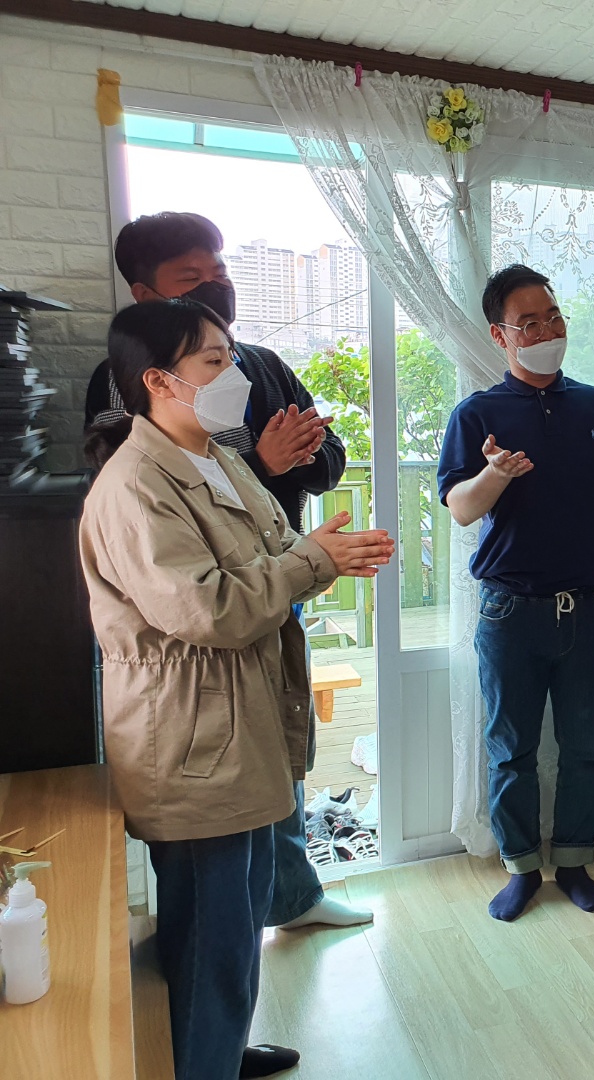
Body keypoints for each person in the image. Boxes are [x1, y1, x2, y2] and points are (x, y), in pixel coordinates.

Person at [78, 300, 394, 1080]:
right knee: (209, 943)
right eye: (214, 361)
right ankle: (201, 1062)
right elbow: (209, 610)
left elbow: (276, 550)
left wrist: (323, 553)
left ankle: (218, 1054)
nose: (236, 375)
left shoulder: (217, 457)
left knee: (237, 925)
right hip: (193, 745)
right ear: (159, 380)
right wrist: (313, 561)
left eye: (233, 356)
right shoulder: (135, 485)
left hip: (238, 731)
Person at [84, 211, 367, 933]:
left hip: (271, 588)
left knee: (270, 769)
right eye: (194, 275)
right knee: (216, 897)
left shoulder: (256, 375)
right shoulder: (130, 430)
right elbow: (190, 590)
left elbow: (326, 461)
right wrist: (267, 466)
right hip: (200, 660)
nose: (217, 282)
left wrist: (302, 463)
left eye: (221, 269)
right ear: (144, 291)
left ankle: (292, 896)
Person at [437, 264, 594, 922]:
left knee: (587, 748)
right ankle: (520, 869)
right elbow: (461, 508)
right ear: (500, 335)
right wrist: (494, 473)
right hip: (509, 610)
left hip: (590, 606)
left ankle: (573, 862)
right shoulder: (478, 413)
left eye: (553, 317)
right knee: (511, 750)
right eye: (530, 323)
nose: (548, 332)